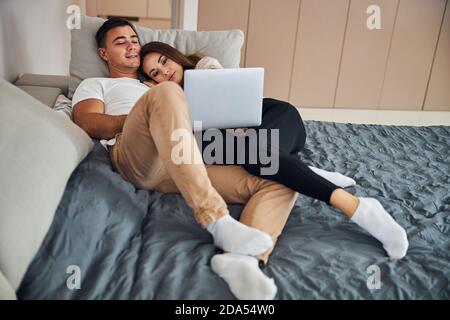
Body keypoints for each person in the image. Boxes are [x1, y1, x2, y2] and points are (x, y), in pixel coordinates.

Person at [139, 41, 410, 295]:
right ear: (152, 81)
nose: (165, 72)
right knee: (255, 156)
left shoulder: (205, 66)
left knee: (255, 153)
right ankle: (357, 206)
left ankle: (313, 179)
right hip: (236, 146)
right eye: (156, 72)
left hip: (272, 118)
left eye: (165, 61)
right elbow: (195, 137)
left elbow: (233, 108)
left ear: (174, 55)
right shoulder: (169, 104)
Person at [72, 17, 300, 300]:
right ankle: (216, 220)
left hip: (182, 158)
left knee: (278, 179)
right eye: (121, 42)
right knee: (167, 93)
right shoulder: (98, 83)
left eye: (134, 40)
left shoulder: (157, 82)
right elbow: (87, 122)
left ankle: (242, 261)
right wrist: (144, 116)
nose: (131, 46)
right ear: (104, 54)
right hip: (136, 155)